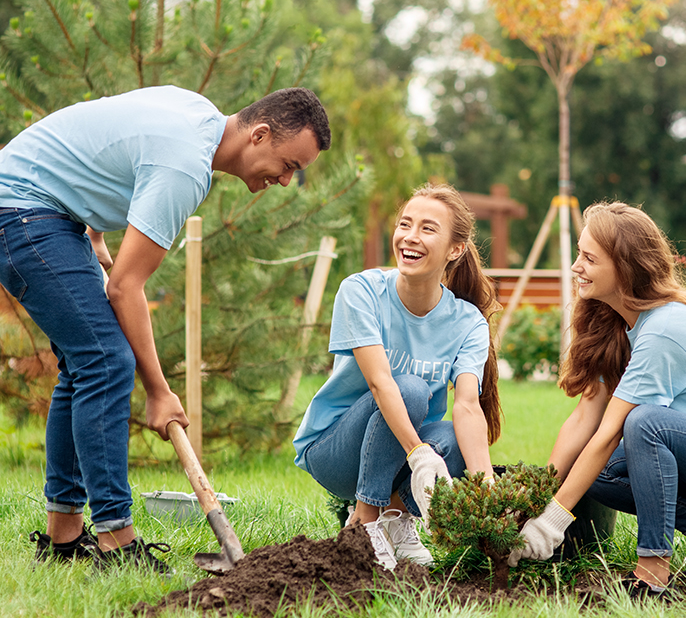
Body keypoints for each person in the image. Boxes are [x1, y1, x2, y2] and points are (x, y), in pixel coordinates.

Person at [0, 85, 331, 571]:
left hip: (42, 207)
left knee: (83, 364)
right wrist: (158, 391)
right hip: (23, 210)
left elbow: (105, 136)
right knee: (106, 361)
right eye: (289, 166)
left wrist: (93, 230)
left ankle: (64, 538)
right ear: (259, 135)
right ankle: (117, 540)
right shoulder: (185, 167)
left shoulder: (195, 111)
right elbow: (125, 288)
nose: (285, 180)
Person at [509, 201, 686, 597]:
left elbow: (610, 433)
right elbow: (584, 419)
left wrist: (552, 522)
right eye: (579, 253)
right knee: (598, 468)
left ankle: (652, 570)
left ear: (625, 268)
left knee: (647, 423)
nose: (577, 266)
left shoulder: (664, 328)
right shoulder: (619, 324)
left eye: (589, 258)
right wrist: (533, 499)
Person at [293, 183, 502, 568]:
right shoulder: (362, 291)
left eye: (427, 228)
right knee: (410, 388)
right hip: (336, 451)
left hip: (398, 453)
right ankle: (364, 523)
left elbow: (469, 407)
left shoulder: (468, 322)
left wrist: (487, 495)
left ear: (455, 249)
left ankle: (395, 518)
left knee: (457, 439)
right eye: (405, 224)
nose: (410, 237)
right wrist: (419, 453)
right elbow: (380, 383)